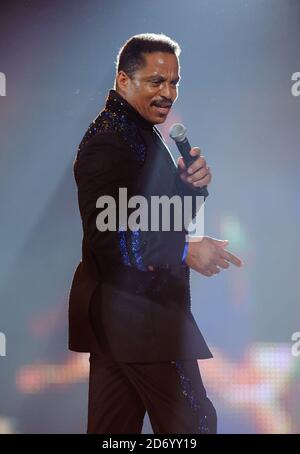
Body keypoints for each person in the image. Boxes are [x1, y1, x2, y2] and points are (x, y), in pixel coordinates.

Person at [68, 33, 243, 434]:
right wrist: (183, 251)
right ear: (123, 80)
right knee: (194, 426)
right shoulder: (110, 141)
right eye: (156, 82)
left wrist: (187, 187)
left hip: (123, 318)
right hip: (140, 317)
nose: (168, 93)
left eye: (174, 82)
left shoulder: (139, 131)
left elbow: (151, 217)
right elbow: (111, 234)